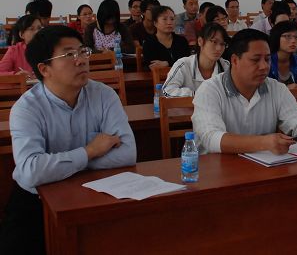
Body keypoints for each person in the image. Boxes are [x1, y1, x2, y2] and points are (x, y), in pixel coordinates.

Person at [0, 26, 136, 254]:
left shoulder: (104, 95)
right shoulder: (26, 109)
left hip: (95, 191)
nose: (81, 60)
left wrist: (59, 166)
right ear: (44, 69)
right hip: (35, 202)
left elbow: (128, 153)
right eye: (69, 54)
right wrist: (90, 151)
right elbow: (31, 171)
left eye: (82, 51)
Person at [191, 29, 297, 155]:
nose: (264, 66)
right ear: (235, 60)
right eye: (255, 60)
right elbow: (211, 138)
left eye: (267, 59)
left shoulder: (276, 88)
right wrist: (264, 143)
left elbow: (296, 119)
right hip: (216, 167)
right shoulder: (210, 90)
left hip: (263, 166)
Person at [162, 23, 229, 97]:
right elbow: (167, 91)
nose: (219, 48)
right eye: (214, 42)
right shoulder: (183, 64)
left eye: (222, 44)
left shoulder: (226, 66)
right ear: (200, 41)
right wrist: (197, 94)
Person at [268, 21, 297, 88]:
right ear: (276, 38)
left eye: (296, 37)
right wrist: (286, 89)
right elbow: (264, 89)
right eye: (288, 36)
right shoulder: (267, 61)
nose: (293, 41)